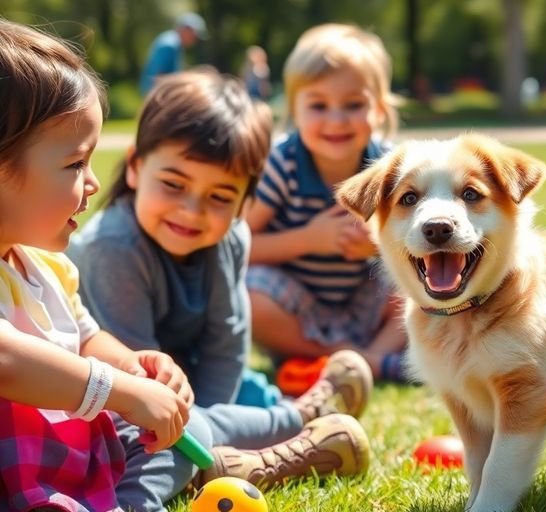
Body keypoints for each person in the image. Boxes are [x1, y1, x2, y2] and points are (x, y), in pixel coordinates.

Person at [62, 69, 371, 508]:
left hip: (192, 382)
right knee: (202, 426)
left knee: (248, 390)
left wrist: (206, 413)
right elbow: (136, 377)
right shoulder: (113, 248)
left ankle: (263, 430)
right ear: (134, 167)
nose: (192, 211)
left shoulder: (231, 236)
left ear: (246, 203)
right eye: (173, 184)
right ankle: (300, 419)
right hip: (127, 394)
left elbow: (226, 340)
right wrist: (198, 421)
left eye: (220, 197)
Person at [0, 19, 189, 510]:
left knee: (175, 438)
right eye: (74, 164)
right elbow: (8, 361)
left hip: (65, 456)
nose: (91, 183)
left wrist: (133, 367)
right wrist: (119, 390)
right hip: (13, 469)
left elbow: (82, 337)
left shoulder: (45, 266)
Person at [245, 23, 408, 382]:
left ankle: (375, 357)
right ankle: (348, 360)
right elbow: (238, 244)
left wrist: (379, 246)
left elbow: (418, 244)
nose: (336, 120)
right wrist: (308, 239)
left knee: (421, 280)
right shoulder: (282, 164)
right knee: (245, 295)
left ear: (379, 110)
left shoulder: (390, 167)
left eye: (353, 105)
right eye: (319, 105)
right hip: (296, 309)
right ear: (295, 109)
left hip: (367, 302)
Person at [139, 12, 207, 94]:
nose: (194, 41)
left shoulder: (172, 41)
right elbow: (159, 77)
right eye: (194, 36)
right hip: (156, 95)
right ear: (187, 30)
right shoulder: (170, 45)